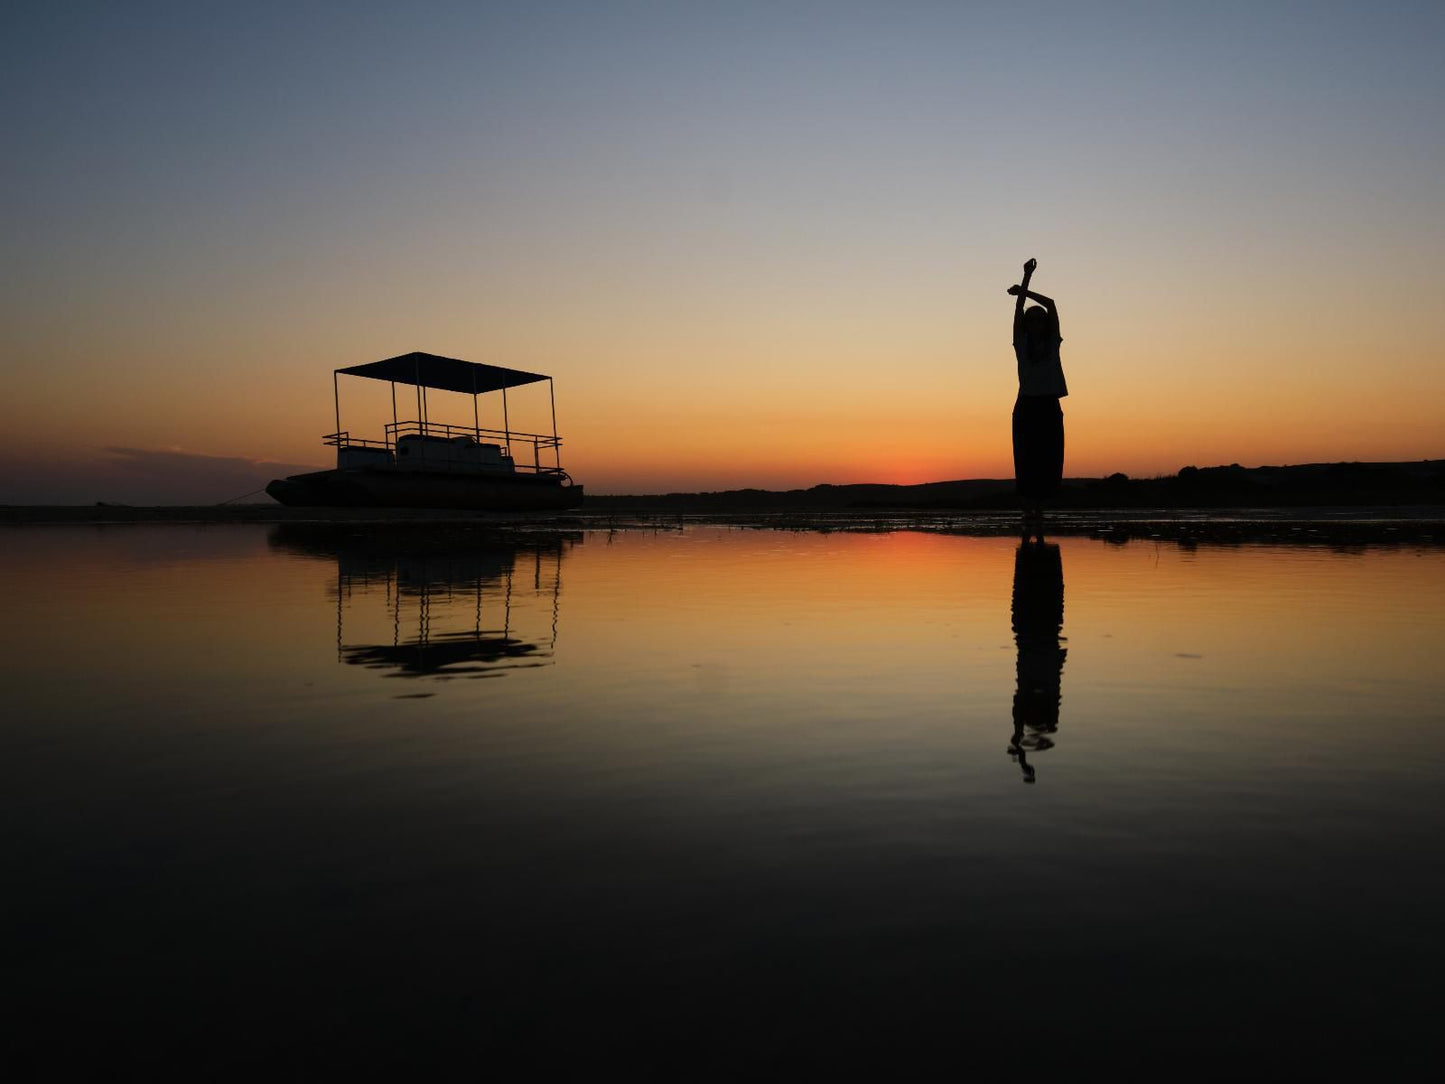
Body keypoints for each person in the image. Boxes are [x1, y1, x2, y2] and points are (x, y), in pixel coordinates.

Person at [1006, 258, 1067, 535]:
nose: (1036, 323)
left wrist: (1026, 288)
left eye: (1039, 319)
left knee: (1049, 456)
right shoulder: (1021, 343)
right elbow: (1018, 310)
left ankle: (1040, 508)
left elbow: (1052, 304)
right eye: (1032, 320)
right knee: (1026, 456)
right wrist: (1025, 278)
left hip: (1049, 404)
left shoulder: (1053, 342)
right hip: (1027, 404)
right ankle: (1027, 507)